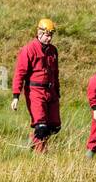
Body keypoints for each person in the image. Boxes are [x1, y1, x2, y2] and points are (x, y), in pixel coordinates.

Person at [12, 18, 61, 152]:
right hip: (35, 91)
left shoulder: (53, 51)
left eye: (51, 35)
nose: (49, 38)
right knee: (41, 126)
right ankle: (41, 155)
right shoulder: (28, 50)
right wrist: (16, 96)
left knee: (55, 126)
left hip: (51, 92)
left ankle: (32, 141)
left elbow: (55, 73)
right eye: (47, 35)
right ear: (39, 33)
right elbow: (19, 74)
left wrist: (57, 91)